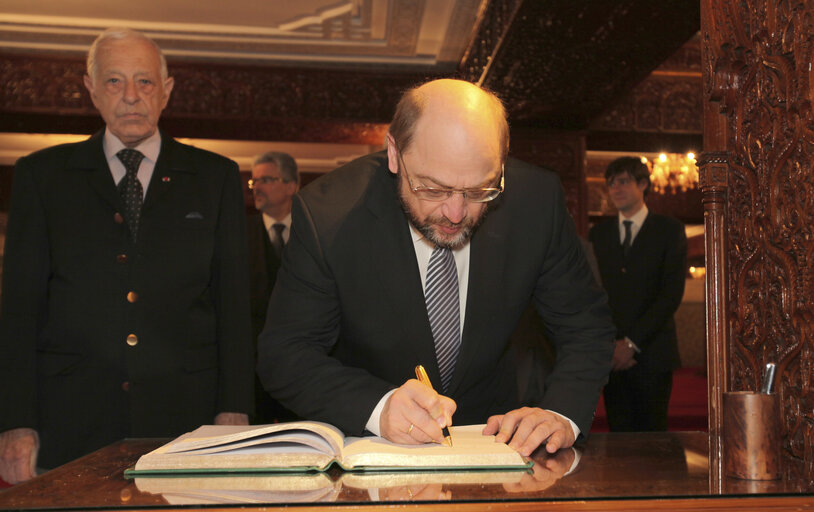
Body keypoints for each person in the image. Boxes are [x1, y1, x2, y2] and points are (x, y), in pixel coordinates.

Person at [257, 78, 615, 457]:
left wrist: (561, 413)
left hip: (496, 448)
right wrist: (378, 407)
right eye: (432, 188)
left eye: (480, 190)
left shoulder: (535, 201)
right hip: (376, 453)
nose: (456, 213)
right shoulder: (328, 215)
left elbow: (586, 326)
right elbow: (285, 353)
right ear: (395, 153)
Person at [0, 28, 253, 483]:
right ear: (91, 89)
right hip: (70, 423)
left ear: (166, 91)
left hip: (184, 422)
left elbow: (234, 306)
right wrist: (16, 421)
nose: (131, 97)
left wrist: (234, 409)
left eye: (145, 82)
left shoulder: (215, 178)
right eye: (115, 82)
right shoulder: (42, 177)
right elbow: (19, 309)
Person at [588, 156, 687, 431]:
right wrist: (612, 345)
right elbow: (594, 293)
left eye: (623, 181)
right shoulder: (599, 234)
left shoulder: (669, 230)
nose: (615, 189)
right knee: (618, 438)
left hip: (652, 352)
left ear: (643, 184)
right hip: (611, 357)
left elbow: (670, 294)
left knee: (653, 437)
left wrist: (631, 344)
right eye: (611, 184)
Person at [246, 151, 300, 423]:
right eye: (254, 181)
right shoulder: (239, 235)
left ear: (291, 186)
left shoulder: (313, 233)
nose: (257, 187)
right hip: (253, 371)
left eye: (266, 179)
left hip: (302, 368)